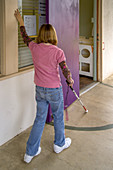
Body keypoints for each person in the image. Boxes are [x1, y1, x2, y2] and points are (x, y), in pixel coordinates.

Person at [14, 9, 74, 164]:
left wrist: (20, 21)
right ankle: (59, 144)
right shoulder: (58, 51)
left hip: (39, 90)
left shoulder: (34, 47)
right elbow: (65, 69)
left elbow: (24, 36)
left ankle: (30, 153)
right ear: (53, 36)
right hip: (54, 90)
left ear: (41, 35)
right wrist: (70, 81)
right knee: (58, 117)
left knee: (39, 119)